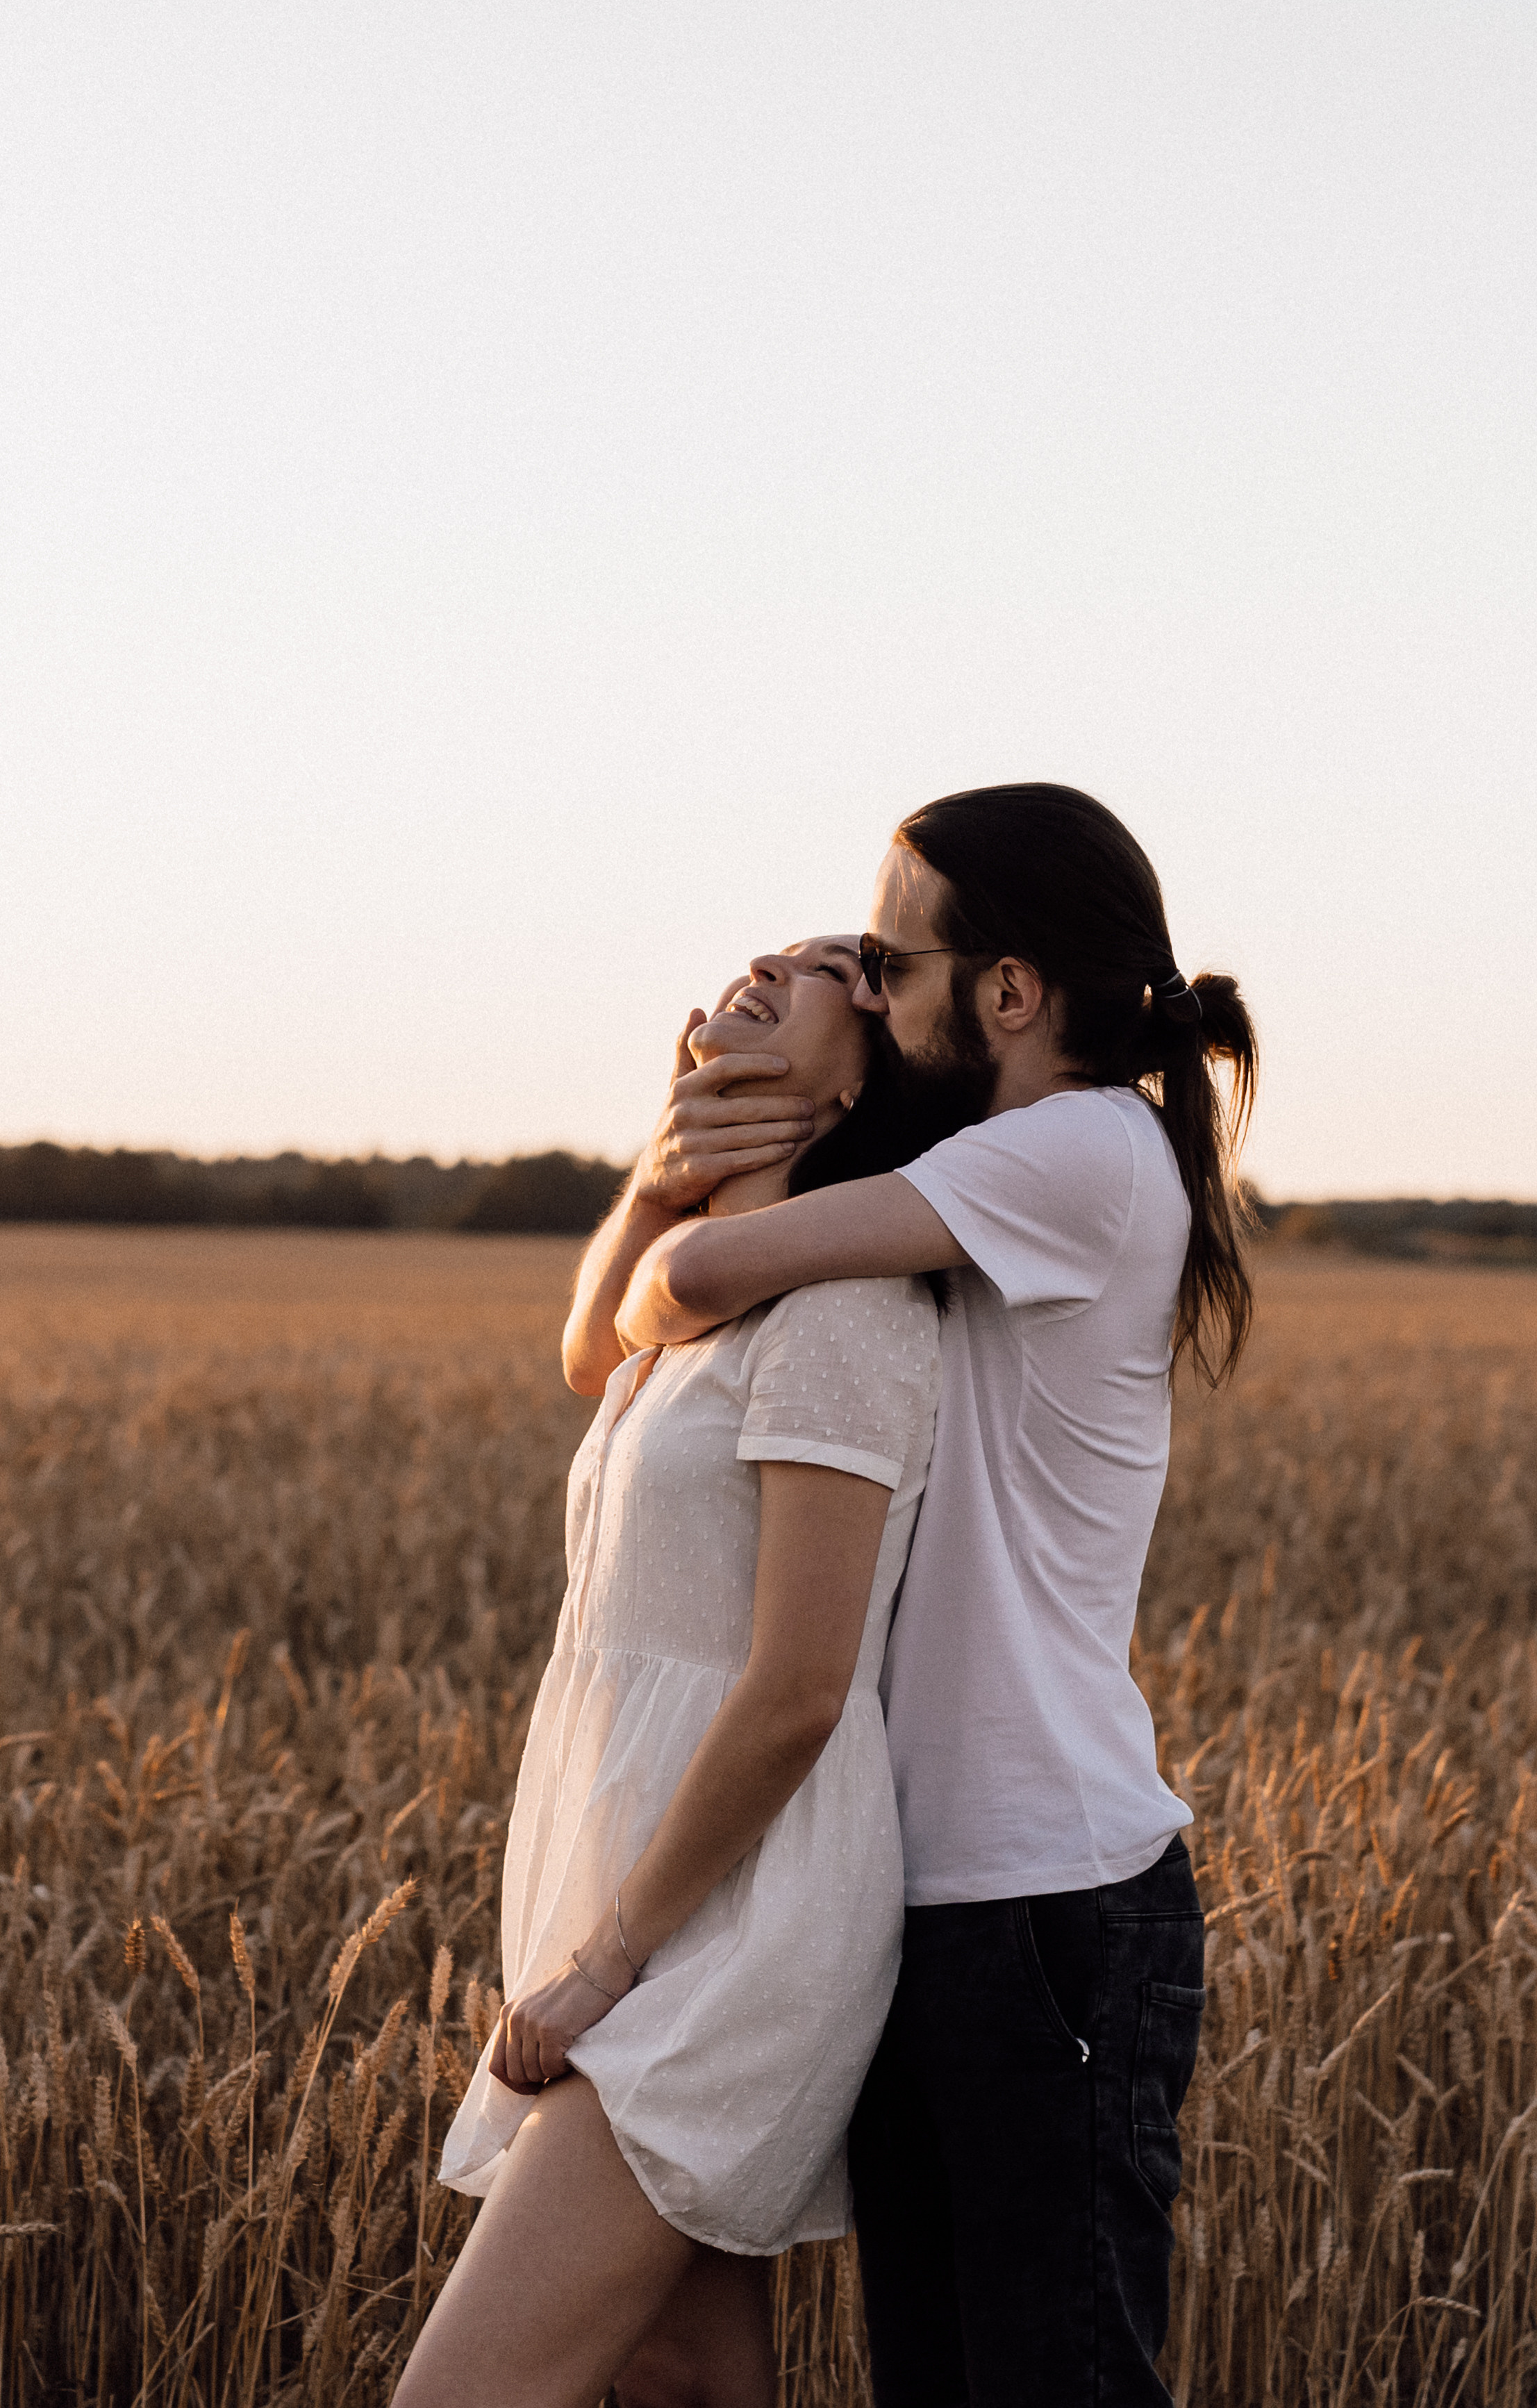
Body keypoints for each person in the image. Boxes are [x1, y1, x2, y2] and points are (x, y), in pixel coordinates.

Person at [610, 783, 1258, 2408]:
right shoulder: (993, 1169)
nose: (878, 999)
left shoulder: (1084, 1149)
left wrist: (677, 1179)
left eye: (893, 966)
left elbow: (686, 1286)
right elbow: (604, 1338)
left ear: (1012, 992)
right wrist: (679, 1166)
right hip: (935, 1893)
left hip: (1048, 1902)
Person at [398, 937, 966, 2408]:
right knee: (675, 2384)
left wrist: (605, 1963)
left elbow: (795, 1688)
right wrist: (658, 1178)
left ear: (866, 1081)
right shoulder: (699, 1306)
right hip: (647, 1885)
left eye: (838, 967)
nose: (776, 955)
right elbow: (592, 1343)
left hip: (729, 1928)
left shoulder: (842, 1312)